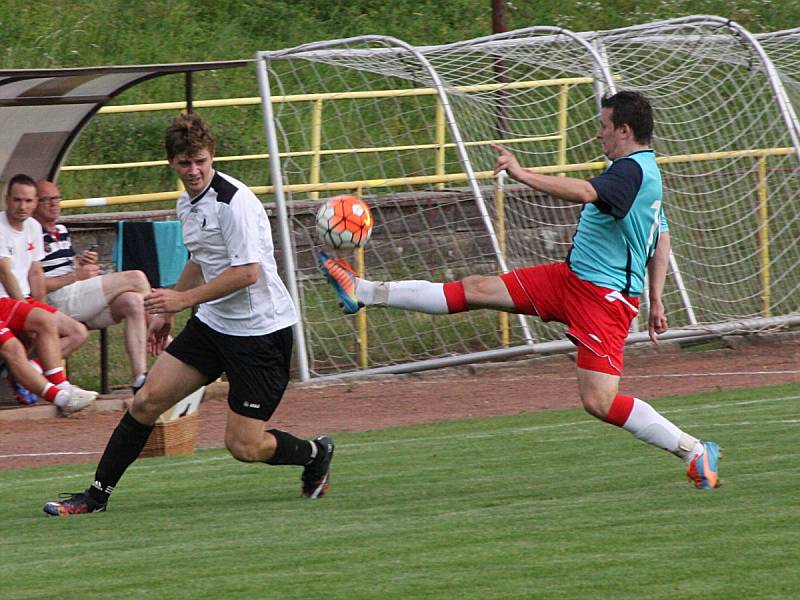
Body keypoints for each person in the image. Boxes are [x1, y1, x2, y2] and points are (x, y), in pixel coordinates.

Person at [318, 90, 720, 490]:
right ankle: (363, 290)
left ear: (624, 130)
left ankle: (694, 450)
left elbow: (584, 192)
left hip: (603, 299)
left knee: (599, 401)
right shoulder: (645, 171)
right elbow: (661, 236)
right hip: (569, 280)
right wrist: (658, 298)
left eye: (603, 126)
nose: (598, 134)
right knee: (475, 288)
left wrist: (521, 173)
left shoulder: (631, 171)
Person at [43, 113, 334, 517]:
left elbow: (248, 273)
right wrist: (172, 310)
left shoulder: (234, 202)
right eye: (184, 163)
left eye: (199, 160)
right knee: (145, 402)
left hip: (260, 333)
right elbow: (201, 259)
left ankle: (315, 453)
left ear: (211, 155)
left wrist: (183, 300)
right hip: (214, 324)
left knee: (244, 447)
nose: (193, 170)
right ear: (171, 164)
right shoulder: (187, 202)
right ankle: (95, 497)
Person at [34, 180, 150, 392]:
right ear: (34, 204)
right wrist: (76, 275)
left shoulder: (60, 229)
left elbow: (62, 268)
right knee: (136, 278)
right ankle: (165, 339)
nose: (54, 204)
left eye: (57, 198)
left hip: (75, 297)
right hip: (57, 300)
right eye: (46, 200)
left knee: (133, 302)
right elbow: (36, 284)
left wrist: (80, 262)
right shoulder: (32, 232)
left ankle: (140, 378)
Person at [0, 174, 88, 357]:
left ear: (34, 202)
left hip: (29, 298)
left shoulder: (34, 226)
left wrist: (39, 306)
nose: (22, 206)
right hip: (7, 300)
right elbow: (5, 273)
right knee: (133, 280)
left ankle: (32, 375)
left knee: (78, 332)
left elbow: (35, 272)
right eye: (17, 200)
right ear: (6, 200)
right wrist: (28, 310)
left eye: (27, 201)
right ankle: (44, 381)